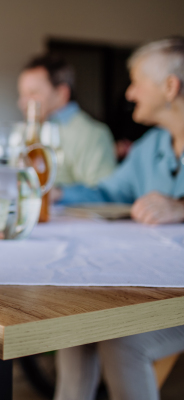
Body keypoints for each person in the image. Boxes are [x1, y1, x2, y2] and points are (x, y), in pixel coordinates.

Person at [53, 37, 184, 400]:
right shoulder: (150, 148)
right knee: (74, 324)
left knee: (122, 340)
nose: (129, 93)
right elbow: (106, 192)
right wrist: (60, 193)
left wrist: (181, 207)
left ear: (170, 87)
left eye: (137, 81)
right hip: (153, 286)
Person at [18, 54, 116, 186]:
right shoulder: (23, 131)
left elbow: (104, 194)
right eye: (22, 94)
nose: (22, 103)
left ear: (61, 94)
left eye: (33, 93)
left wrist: (59, 194)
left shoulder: (92, 135)